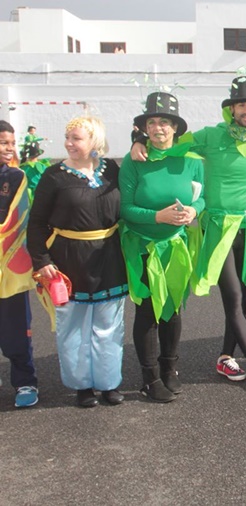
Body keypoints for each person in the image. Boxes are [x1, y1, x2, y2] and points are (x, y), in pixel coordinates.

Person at [131, 75, 246, 386]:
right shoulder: (210, 136)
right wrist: (138, 138)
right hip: (217, 227)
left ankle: (226, 357)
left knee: (243, 294)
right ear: (231, 108)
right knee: (233, 296)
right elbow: (170, 142)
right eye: (242, 104)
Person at [28, 116, 128, 408]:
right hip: (69, 259)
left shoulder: (111, 169)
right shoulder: (54, 176)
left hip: (109, 255)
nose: (69, 144)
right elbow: (36, 223)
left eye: (76, 138)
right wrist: (41, 260)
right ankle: (82, 385)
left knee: (109, 324)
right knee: (73, 325)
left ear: (94, 140)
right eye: (67, 137)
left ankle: (108, 383)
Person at [119, 92, 205, 402]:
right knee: (147, 312)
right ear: (144, 129)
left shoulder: (191, 160)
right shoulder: (134, 161)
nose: (158, 128)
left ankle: (170, 369)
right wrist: (158, 216)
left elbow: (202, 198)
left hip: (175, 246)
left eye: (165, 122)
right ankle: (150, 377)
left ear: (175, 128)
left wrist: (194, 210)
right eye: (152, 122)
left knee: (173, 310)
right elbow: (125, 208)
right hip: (142, 247)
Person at [0, 121, 40, 408]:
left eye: (12, 143)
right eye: (4, 142)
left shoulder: (16, 177)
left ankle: (25, 381)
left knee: (15, 327)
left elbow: (20, 220)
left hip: (9, 266)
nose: (10, 148)